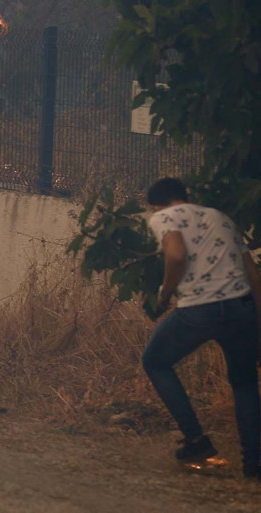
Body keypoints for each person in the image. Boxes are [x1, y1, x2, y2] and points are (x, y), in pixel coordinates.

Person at [142, 177, 261, 479]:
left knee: (155, 361)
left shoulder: (164, 217)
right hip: (241, 307)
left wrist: (166, 294)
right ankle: (254, 463)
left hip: (200, 309)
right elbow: (253, 275)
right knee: (244, 381)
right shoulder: (221, 217)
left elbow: (177, 254)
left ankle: (195, 440)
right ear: (186, 196)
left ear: (156, 204)